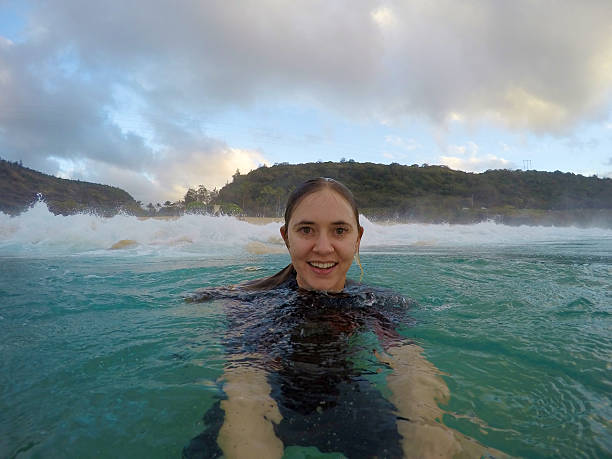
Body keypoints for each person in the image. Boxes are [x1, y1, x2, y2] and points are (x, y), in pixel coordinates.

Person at [184, 178, 502, 459]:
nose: (323, 248)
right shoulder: (249, 301)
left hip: (348, 403)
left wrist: (425, 426)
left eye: (339, 230)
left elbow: (409, 364)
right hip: (262, 396)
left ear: (357, 237)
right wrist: (249, 434)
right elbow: (245, 379)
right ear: (286, 236)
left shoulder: (378, 302)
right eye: (306, 229)